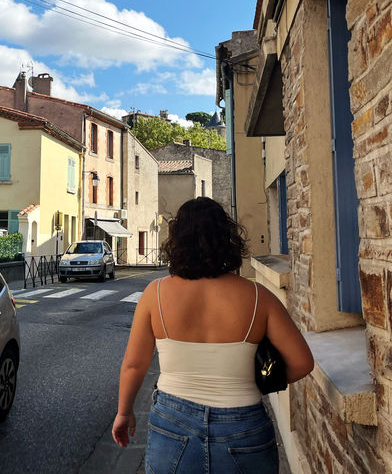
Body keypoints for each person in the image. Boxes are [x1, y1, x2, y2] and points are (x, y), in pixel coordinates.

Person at [112, 197, 314, 473]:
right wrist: (256, 382)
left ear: (177, 242)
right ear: (228, 240)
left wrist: (124, 413)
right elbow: (302, 362)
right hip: (244, 425)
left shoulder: (154, 294)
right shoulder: (258, 297)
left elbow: (134, 364)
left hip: (173, 421)